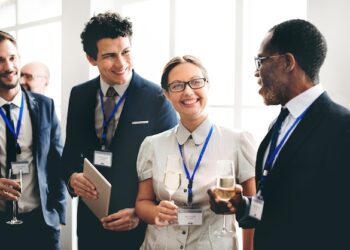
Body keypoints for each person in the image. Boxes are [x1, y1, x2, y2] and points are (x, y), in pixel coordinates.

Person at [208, 19, 350, 250]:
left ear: (287, 62)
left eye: (261, 61)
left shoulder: (342, 127)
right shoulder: (279, 124)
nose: (256, 71)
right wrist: (241, 206)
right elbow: (280, 204)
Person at [61, 12, 178, 250]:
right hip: (90, 226)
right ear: (91, 58)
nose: (121, 63)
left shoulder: (157, 97)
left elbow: (171, 167)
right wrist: (72, 178)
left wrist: (140, 211)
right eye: (110, 56)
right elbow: (70, 154)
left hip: (137, 228)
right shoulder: (79, 95)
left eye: (126, 52)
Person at [135, 55, 256, 250]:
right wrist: (156, 212)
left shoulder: (239, 141)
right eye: (177, 85)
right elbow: (142, 202)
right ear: (166, 94)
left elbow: (253, 213)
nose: (188, 92)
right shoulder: (152, 145)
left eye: (196, 82)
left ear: (208, 85)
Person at [0, 31, 66, 250]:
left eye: (12, 58)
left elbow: (58, 161)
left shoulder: (45, 106)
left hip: (42, 224)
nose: (8, 66)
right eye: (0, 61)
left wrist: (59, 215)